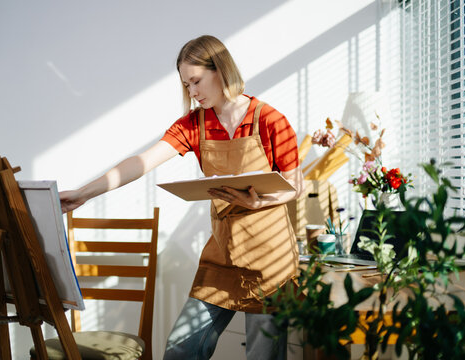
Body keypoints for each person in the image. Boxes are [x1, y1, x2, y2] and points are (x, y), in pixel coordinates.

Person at [60, 35, 303, 360]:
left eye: (196, 81)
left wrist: (259, 203)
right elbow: (141, 162)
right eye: (186, 85)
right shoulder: (194, 125)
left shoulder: (271, 120)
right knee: (180, 350)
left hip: (270, 261)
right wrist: (84, 193)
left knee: (263, 357)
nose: (192, 92)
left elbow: (294, 186)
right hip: (223, 257)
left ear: (221, 71)